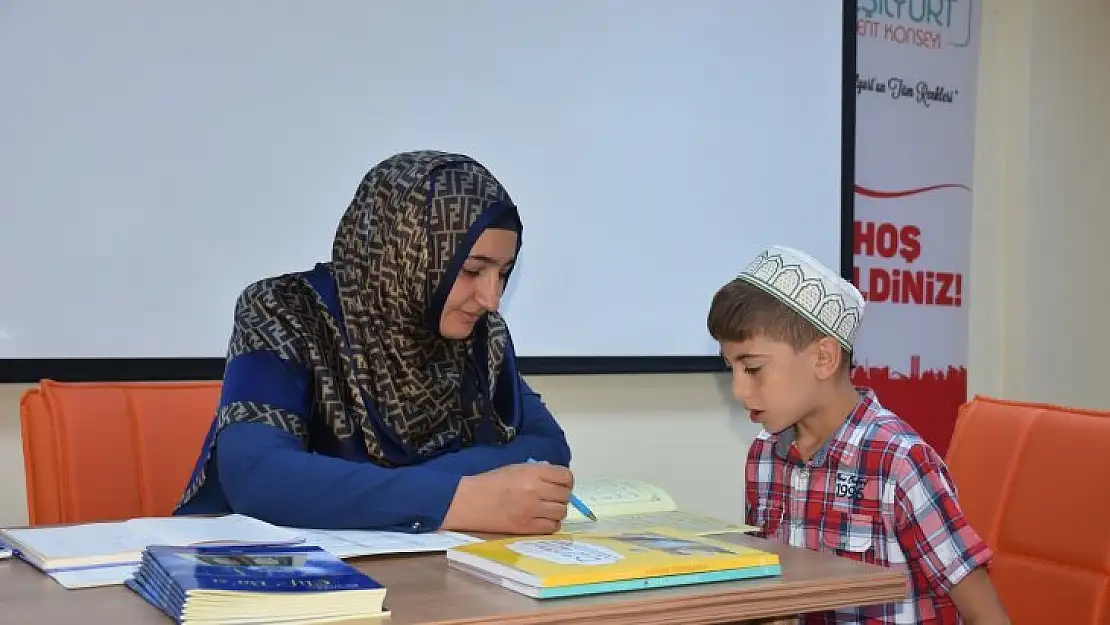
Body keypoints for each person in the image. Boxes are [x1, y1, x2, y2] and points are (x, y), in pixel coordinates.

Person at [175, 150, 574, 536]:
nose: (491, 298)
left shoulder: (480, 334)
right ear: (405, 252)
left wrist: (372, 491)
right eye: (471, 270)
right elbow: (258, 475)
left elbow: (547, 449)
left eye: (503, 272)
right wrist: (458, 499)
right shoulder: (286, 310)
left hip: (426, 570)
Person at [706, 245, 1010, 624]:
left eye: (752, 368)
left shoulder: (899, 462)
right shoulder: (765, 456)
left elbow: (987, 615)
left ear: (824, 358)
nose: (738, 390)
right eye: (730, 368)